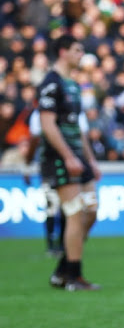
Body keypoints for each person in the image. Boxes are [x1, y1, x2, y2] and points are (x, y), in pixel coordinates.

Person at [38, 34, 101, 291]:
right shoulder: (51, 84)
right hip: (60, 158)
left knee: (91, 211)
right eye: (77, 50)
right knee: (75, 214)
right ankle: (74, 276)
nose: (80, 55)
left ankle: (63, 269)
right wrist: (67, 156)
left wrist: (91, 160)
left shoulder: (73, 85)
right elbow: (47, 124)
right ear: (63, 52)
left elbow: (78, 127)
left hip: (78, 157)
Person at [23, 109, 70, 256]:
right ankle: (52, 244)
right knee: (52, 205)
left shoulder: (70, 111)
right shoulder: (39, 115)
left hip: (65, 165)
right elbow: (34, 140)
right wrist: (27, 165)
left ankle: (62, 244)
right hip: (49, 166)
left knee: (65, 207)